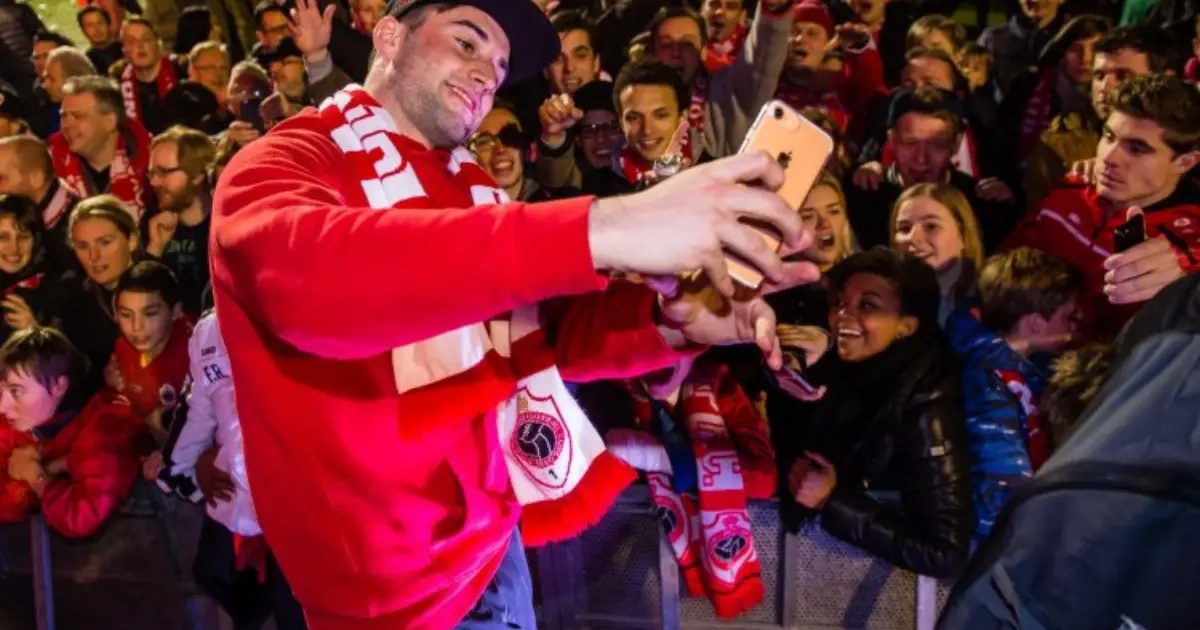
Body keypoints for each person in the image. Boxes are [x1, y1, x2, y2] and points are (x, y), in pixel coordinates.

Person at [209, 1, 814, 629]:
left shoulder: (473, 190)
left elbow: (544, 333)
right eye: (467, 44)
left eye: (499, 68)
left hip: (496, 548)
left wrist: (670, 322)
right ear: (388, 36)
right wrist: (604, 226)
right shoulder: (280, 163)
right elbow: (319, 288)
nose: (485, 75)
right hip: (392, 600)